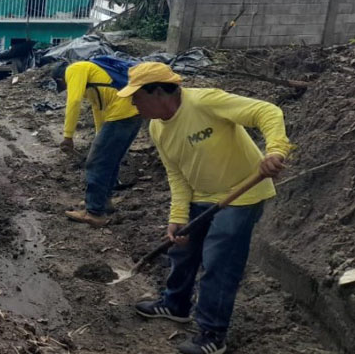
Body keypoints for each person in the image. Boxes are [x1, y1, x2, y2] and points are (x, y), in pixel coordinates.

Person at [119, 62, 291, 354]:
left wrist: (275, 150)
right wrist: (177, 216)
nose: (133, 104)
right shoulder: (157, 128)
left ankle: (212, 334)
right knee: (182, 250)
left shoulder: (204, 101)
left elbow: (267, 111)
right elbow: (176, 174)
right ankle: (175, 304)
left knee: (219, 262)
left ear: (158, 92)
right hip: (201, 194)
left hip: (241, 195)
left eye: (137, 97)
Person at [53, 58, 143, 227]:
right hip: (134, 112)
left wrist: (68, 136)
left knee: (96, 162)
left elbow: (74, 101)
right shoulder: (92, 73)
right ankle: (103, 201)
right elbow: (98, 106)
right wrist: (99, 134)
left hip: (121, 113)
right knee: (110, 160)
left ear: (60, 79)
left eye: (63, 86)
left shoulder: (74, 69)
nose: (66, 88)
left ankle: (94, 212)